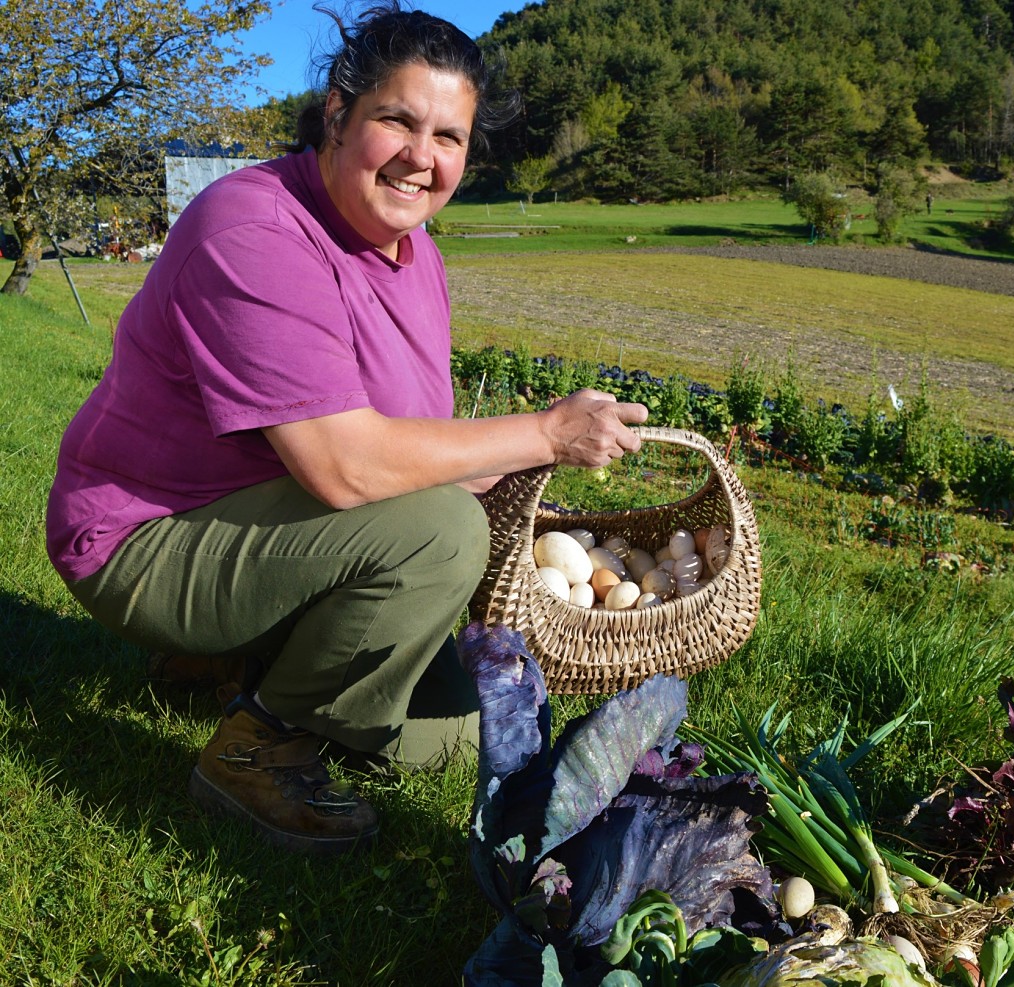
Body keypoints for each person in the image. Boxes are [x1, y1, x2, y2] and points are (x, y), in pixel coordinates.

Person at [44, 2, 648, 856]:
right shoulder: (252, 228)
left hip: (258, 518)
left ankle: (231, 661)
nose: (421, 157)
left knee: (459, 737)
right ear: (337, 113)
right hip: (140, 539)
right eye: (397, 120)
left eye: (449, 137)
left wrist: (539, 513)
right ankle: (258, 748)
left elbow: (414, 438)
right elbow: (346, 468)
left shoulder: (419, 254)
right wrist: (544, 433)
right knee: (438, 535)